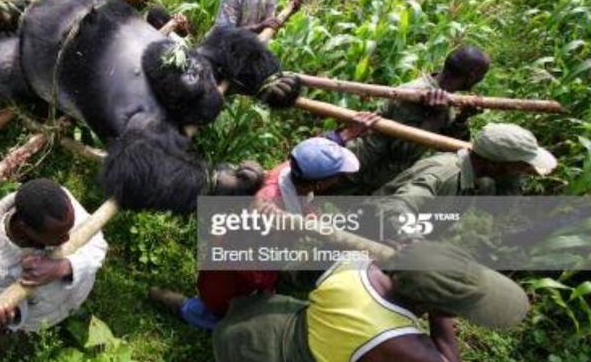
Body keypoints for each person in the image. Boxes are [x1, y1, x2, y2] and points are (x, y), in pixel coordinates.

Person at [149, 133, 372, 329]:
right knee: (226, 313)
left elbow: (315, 154)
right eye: (337, 175)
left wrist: (342, 135)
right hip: (234, 270)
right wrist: (264, 288)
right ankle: (182, 307)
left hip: (249, 258)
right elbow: (245, 260)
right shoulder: (266, 212)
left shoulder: (290, 171)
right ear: (319, 184)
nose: (339, 179)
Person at [213, 241, 530, 362]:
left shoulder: (356, 265)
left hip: (256, 329)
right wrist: (442, 314)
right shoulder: (401, 343)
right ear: (428, 306)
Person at [327, 46, 491, 194]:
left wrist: (463, 117)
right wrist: (435, 116)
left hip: (376, 176)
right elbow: (402, 149)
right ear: (472, 76)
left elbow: (448, 145)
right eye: (482, 75)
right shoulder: (416, 94)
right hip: (359, 172)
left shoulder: (442, 96)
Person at [373, 123, 556, 238]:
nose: (523, 172)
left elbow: (499, 208)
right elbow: (394, 208)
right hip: (372, 233)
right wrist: (416, 246)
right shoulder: (444, 175)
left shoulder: (478, 177)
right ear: (497, 164)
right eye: (520, 166)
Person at [0, 178, 107, 332]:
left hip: (77, 294)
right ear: (24, 228)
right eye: (58, 235)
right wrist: (12, 313)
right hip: (44, 320)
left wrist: (63, 267)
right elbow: (11, 308)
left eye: (69, 228)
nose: (67, 238)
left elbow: (98, 244)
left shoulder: (59, 204)